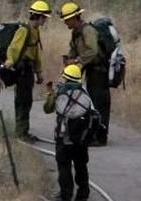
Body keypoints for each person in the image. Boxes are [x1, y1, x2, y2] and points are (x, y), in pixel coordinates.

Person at [60, 1, 110, 146]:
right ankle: (93, 134)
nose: (65, 22)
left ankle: (100, 137)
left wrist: (77, 61)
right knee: (91, 103)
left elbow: (93, 51)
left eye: (66, 19)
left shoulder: (87, 30)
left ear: (74, 17)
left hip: (99, 71)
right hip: (91, 70)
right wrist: (70, 59)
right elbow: (73, 49)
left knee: (99, 104)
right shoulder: (76, 32)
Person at [44, 64, 94, 201]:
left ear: (66, 78)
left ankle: (66, 195)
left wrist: (49, 93)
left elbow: (47, 109)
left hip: (63, 137)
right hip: (81, 138)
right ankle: (83, 194)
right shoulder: (85, 92)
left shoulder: (59, 92)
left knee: (64, 166)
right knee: (81, 166)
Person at [4, 0, 51, 141]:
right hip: (21, 71)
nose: (45, 20)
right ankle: (20, 133)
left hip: (29, 70)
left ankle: (24, 131)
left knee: (27, 101)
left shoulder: (35, 31)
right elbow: (13, 48)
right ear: (38, 16)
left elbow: (35, 53)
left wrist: (39, 72)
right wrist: (10, 61)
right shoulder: (24, 30)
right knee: (23, 101)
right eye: (44, 17)